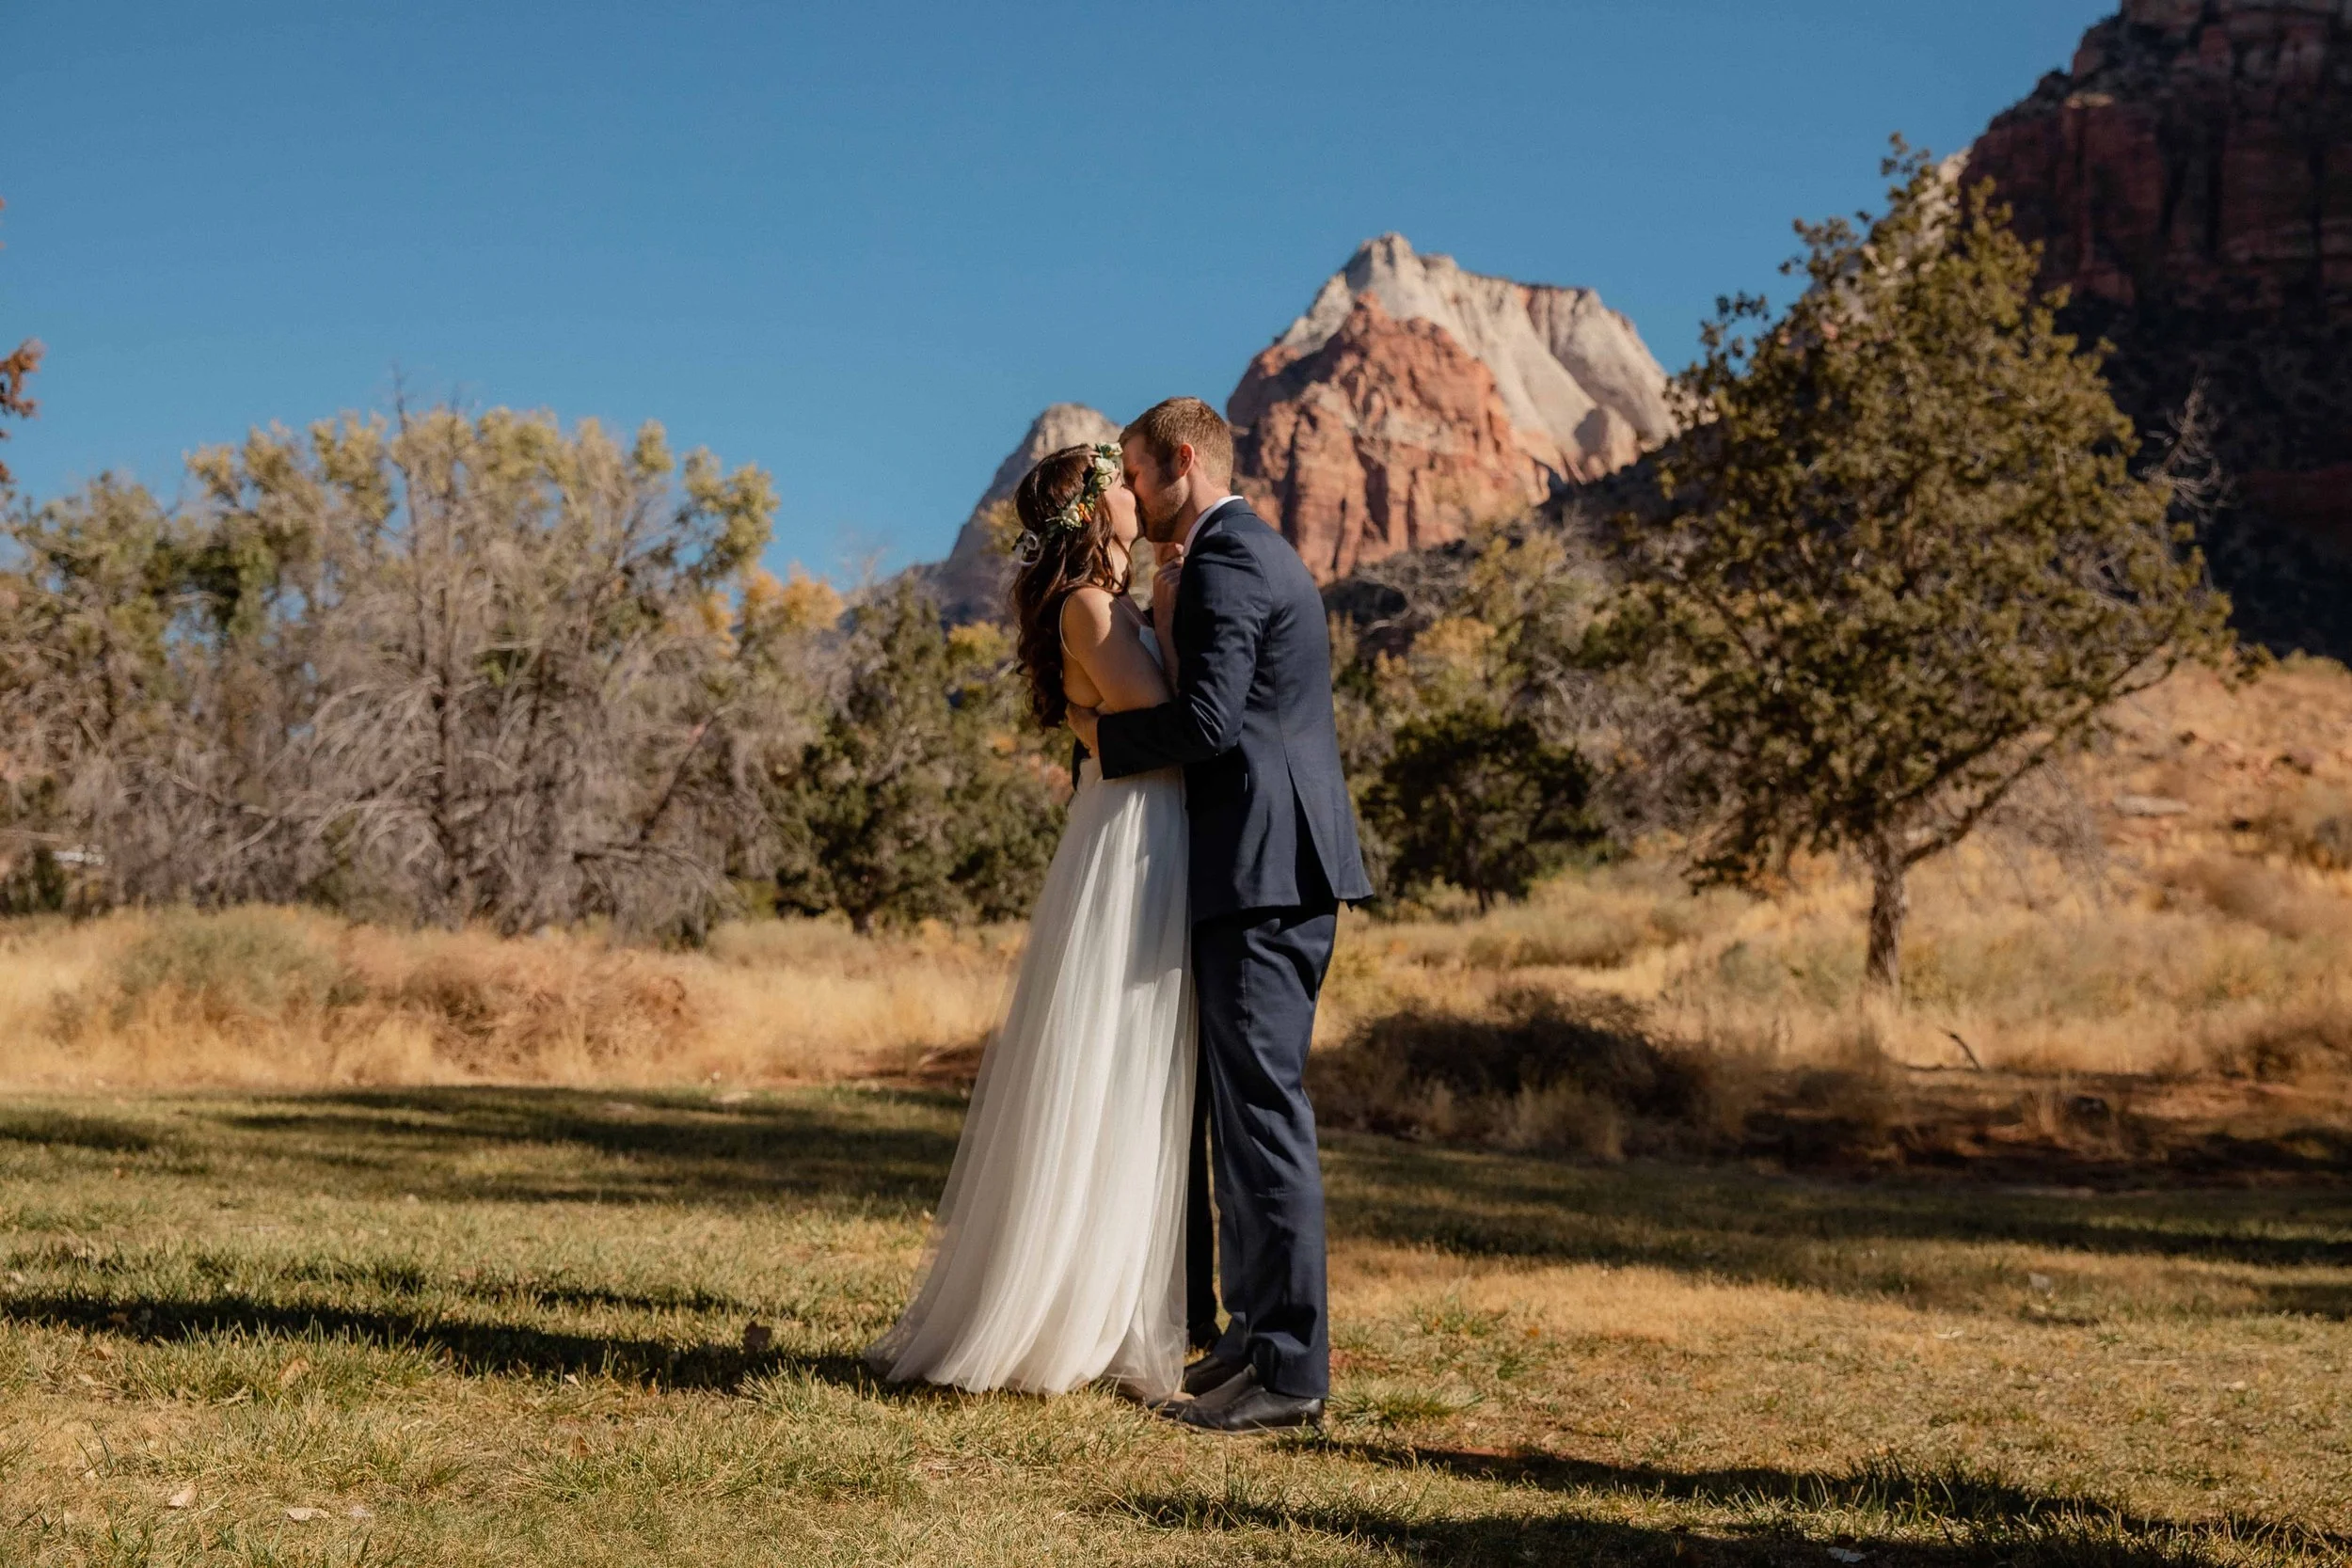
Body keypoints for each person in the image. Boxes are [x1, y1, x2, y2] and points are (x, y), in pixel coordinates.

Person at [864, 441, 1197, 1399]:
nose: (1136, 495)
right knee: (1112, 1063)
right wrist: (1171, 604)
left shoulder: (1100, 602)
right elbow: (1170, 714)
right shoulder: (1090, 608)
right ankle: (1066, 1320)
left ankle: (1104, 1305)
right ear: (1093, 514)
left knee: (1127, 1065)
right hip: (1132, 835)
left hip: (1135, 821)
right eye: (1118, 485)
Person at [1070, 397, 1372, 1433]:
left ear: (1182, 462)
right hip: (1253, 874)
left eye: (1143, 475)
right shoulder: (1226, 554)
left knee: (1265, 1123)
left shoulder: (1233, 557)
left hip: (1265, 877)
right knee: (1244, 1127)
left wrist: (1097, 747)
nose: (1136, 495)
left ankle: (1291, 1374)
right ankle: (1252, 1342)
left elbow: (1206, 722)